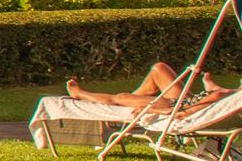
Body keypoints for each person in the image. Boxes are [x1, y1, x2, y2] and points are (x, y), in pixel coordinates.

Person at [66, 60, 228, 111]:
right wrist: (215, 90)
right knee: (159, 68)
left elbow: (182, 114)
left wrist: (160, 111)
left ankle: (79, 94)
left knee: (119, 98)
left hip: (178, 106)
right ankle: (134, 98)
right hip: (191, 100)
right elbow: (223, 96)